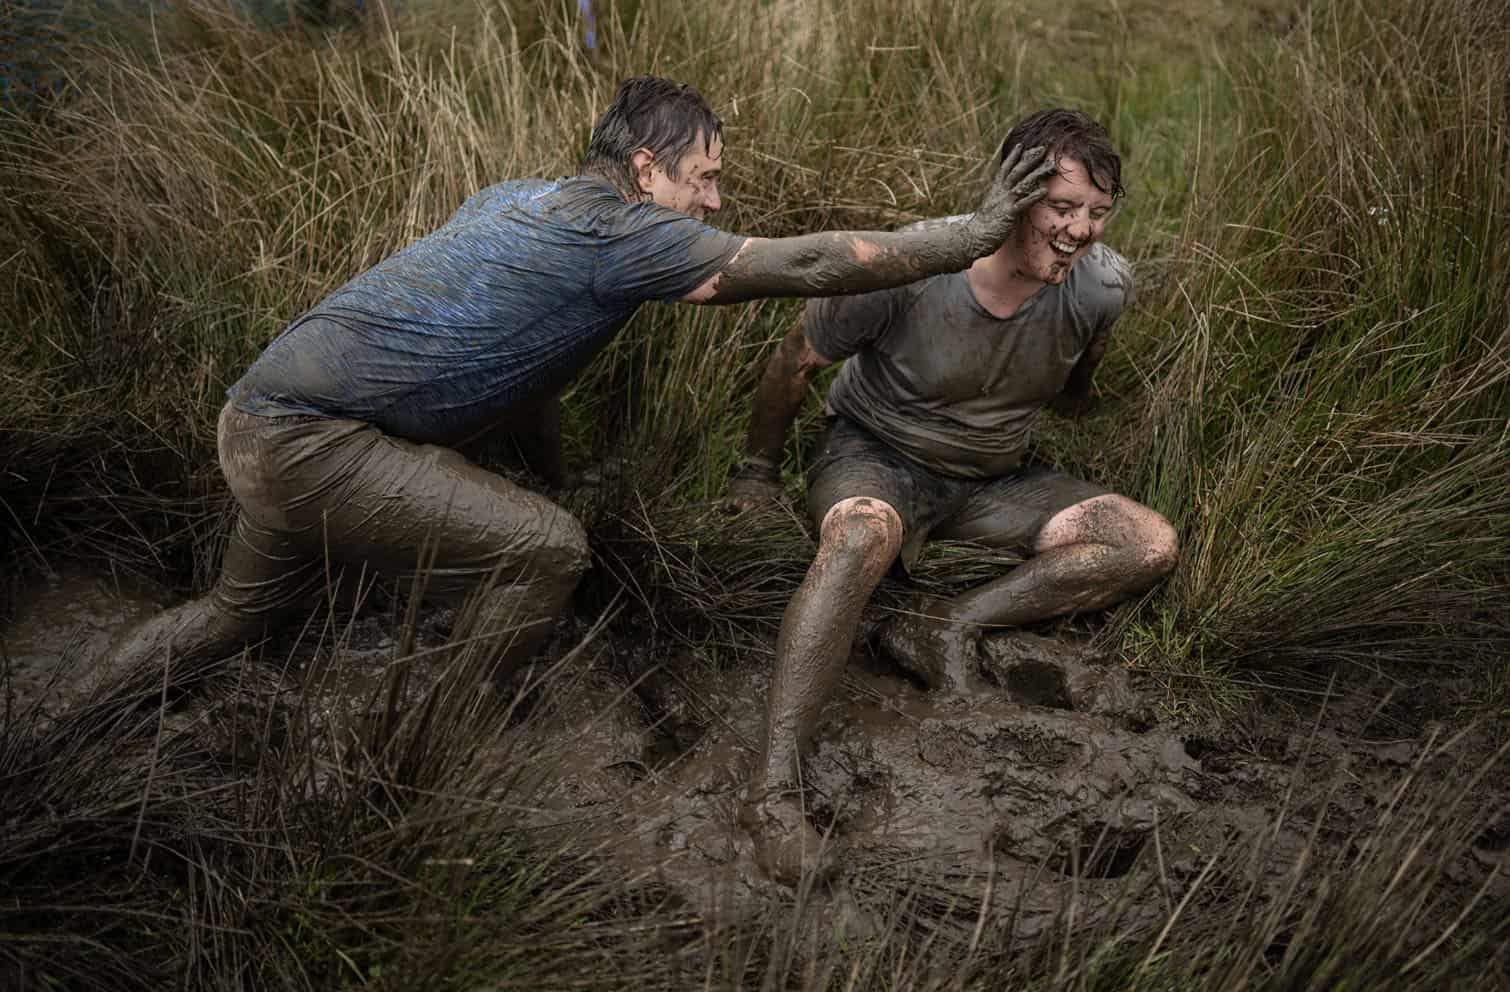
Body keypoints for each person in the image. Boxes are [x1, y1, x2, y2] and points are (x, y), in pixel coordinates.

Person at [104, 76, 1058, 682]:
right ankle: (414, 747)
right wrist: (967, 236)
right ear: (646, 169)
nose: (715, 201)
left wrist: (555, 469)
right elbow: (806, 266)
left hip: (259, 415)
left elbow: (527, 374)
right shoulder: (621, 234)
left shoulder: (520, 197)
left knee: (234, 615)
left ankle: (52, 717)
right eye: (703, 177)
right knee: (547, 552)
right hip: (311, 442)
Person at [721, 109, 1179, 882]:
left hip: (995, 479)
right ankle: (771, 797)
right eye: (1062, 208)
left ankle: (950, 621)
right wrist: (754, 477)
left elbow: (1078, 377)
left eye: (1098, 212)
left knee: (1149, 541)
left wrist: (1076, 415)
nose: (1081, 231)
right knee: (861, 541)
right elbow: (793, 362)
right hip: (876, 456)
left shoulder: (1102, 288)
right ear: (1011, 195)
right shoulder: (911, 265)